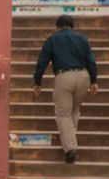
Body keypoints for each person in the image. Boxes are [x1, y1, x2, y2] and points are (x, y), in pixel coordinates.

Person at [32, 15, 99, 163]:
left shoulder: (52, 40)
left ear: (58, 27)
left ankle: (70, 149)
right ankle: (70, 138)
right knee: (75, 110)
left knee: (63, 114)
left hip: (64, 77)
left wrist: (37, 81)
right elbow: (91, 60)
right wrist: (94, 80)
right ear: (72, 26)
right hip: (83, 76)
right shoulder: (82, 38)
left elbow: (42, 61)